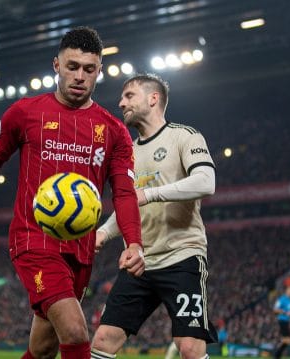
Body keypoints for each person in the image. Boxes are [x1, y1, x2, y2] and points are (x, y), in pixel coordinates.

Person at [0, 27, 144, 359]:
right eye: (72, 66)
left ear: (99, 72)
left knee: (43, 347)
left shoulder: (114, 131)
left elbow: (125, 193)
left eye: (89, 69)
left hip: (81, 249)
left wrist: (133, 241)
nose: (79, 76)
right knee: (74, 329)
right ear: (56, 65)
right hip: (34, 239)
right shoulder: (25, 113)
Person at [91, 73, 217, 359]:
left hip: (182, 257)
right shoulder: (127, 152)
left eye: (129, 95)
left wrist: (151, 193)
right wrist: (103, 232)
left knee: (189, 347)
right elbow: (128, 205)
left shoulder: (185, 136)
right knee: (103, 339)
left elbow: (205, 182)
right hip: (140, 262)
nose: (121, 102)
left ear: (153, 98)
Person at [273, 285, 290, 359]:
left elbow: (289, 312)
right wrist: (285, 313)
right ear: (287, 291)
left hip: (287, 321)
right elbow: (275, 309)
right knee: (289, 340)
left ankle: (277, 355)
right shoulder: (282, 299)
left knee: (287, 341)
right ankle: (276, 354)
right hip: (282, 320)